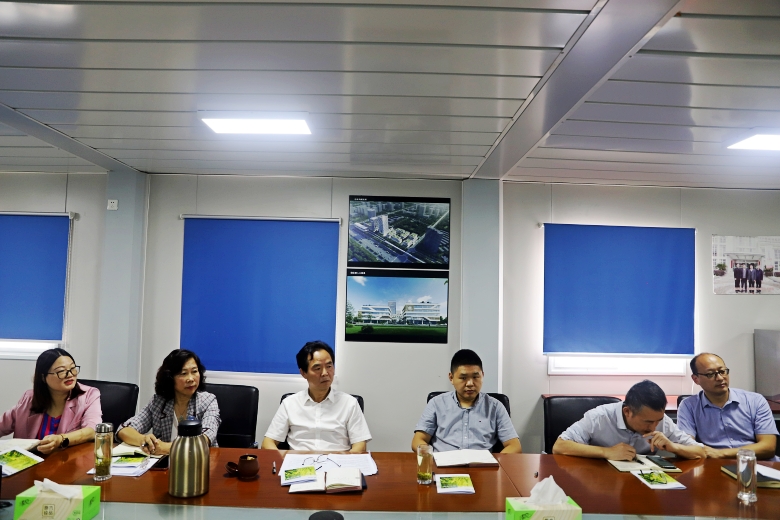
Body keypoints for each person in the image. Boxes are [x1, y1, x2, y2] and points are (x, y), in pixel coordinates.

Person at [552, 380, 704, 460]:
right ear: (627, 411)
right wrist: (607, 452)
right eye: (648, 422)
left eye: (657, 421)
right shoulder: (599, 417)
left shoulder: (662, 421)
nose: (654, 427)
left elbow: (700, 452)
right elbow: (560, 446)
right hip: (602, 480)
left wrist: (673, 447)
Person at [262, 341, 371, 452]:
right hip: (299, 461)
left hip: (337, 461)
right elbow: (267, 443)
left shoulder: (349, 403)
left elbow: (360, 445)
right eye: (317, 368)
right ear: (303, 373)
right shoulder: (289, 403)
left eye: (329, 366)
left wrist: (346, 460)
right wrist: (283, 458)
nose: (325, 373)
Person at [411, 349, 521, 453]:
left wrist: (493, 462)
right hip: (443, 463)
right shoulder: (436, 403)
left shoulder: (495, 407)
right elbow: (418, 441)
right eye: (463, 378)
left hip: (482, 464)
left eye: (475, 377)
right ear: (451, 378)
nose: (470, 384)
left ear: (482, 375)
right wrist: (433, 458)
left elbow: (514, 446)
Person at [117, 349, 220, 455]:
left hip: (200, 462)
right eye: (183, 373)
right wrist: (144, 440)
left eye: (194, 371)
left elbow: (204, 439)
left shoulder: (208, 401)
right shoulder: (159, 402)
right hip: (164, 463)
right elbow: (123, 430)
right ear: (170, 378)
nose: (190, 379)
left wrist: (166, 448)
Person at [0, 348, 102, 454]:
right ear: (43, 377)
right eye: (61, 371)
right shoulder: (29, 398)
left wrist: (61, 439)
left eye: (73, 368)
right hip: (27, 462)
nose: (70, 374)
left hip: (68, 461)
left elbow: (92, 430)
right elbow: (2, 424)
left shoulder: (89, 395)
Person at [677, 353, 778, 460]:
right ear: (696, 379)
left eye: (722, 371)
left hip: (757, 462)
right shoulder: (688, 406)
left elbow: (768, 447)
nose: (720, 378)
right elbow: (686, 447)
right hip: (714, 465)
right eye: (710, 374)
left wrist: (720, 453)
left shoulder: (755, 400)